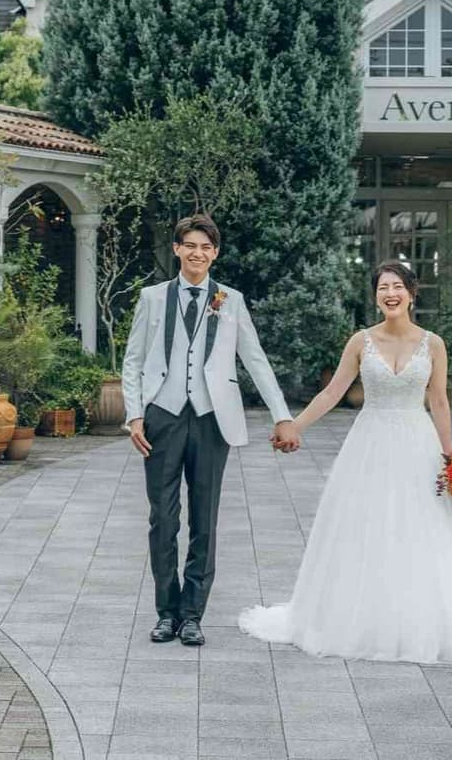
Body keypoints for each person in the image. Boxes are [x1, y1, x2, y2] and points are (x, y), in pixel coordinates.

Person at [238, 260, 452, 665]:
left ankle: (420, 620)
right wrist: (293, 426)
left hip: (417, 443)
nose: (390, 294)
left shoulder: (433, 344)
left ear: (411, 293)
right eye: (382, 288)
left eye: (397, 287)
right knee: (365, 525)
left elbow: (438, 401)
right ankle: (359, 618)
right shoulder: (361, 342)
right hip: (369, 445)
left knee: (419, 528)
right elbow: (332, 393)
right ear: (376, 296)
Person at [121, 213, 301, 648]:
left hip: (211, 419)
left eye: (205, 247)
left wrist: (282, 415)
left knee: (205, 519)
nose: (197, 253)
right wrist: (134, 414)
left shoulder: (230, 300)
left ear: (215, 253)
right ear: (177, 249)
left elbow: (255, 359)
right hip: (162, 416)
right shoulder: (152, 298)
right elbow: (133, 359)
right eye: (190, 245)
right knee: (162, 519)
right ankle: (166, 612)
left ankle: (192, 615)